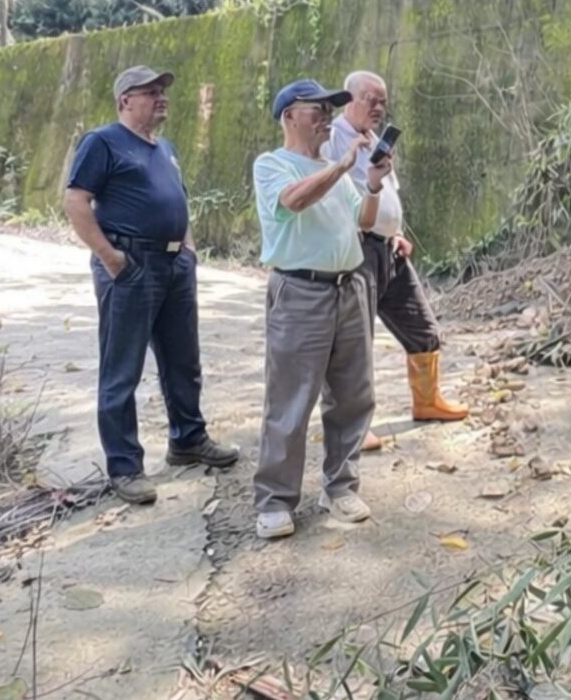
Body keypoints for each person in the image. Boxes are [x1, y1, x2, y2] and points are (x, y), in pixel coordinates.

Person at [63, 65, 238, 504]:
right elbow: (76, 201)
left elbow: (179, 199)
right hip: (131, 264)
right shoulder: (101, 142)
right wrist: (111, 257)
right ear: (125, 100)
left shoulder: (166, 148)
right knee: (122, 369)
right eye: (150, 92)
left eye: (163, 91)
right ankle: (125, 467)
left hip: (175, 263)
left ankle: (188, 440)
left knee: (184, 360)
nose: (162, 97)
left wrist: (189, 251)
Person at [250, 78, 394, 541]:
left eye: (331, 108)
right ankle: (275, 500)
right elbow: (293, 202)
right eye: (319, 109)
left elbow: (364, 220)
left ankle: (340, 486)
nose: (328, 116)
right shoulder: (272, 165)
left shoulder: (333, 168)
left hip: (349, 287)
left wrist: (371, 183)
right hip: (300, 293)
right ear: (290, 115)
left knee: (354, 395)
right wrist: (341, 168)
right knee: (290, 401)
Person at [329, 71, 469, 451]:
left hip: (390, 249)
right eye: (370, 99)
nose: (378, 107)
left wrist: (396, 232)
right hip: (357, 251)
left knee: (422, 326)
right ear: (349, 99)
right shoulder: (332, 138)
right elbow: (331, 195)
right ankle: (352, 428)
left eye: (383, 101)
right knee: (355, 343)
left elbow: (387, 192)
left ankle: (427, 401)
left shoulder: (377, 141)